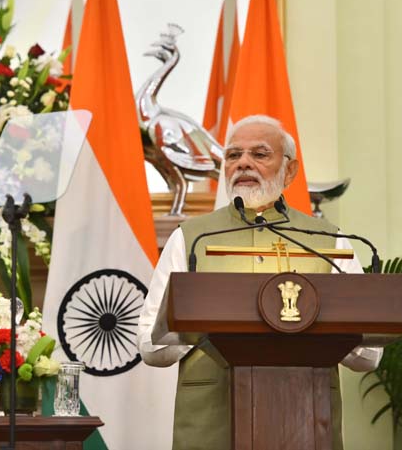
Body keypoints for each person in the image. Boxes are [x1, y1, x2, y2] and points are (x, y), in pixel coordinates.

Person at [136, 114, 382, 450]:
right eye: (233, 155)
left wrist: (324, 329)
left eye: (260, 154)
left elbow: (369, 355)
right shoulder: (191, 239)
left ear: (290, 170)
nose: (244, 164)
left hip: (307, 419)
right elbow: (149, 345)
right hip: (212, 421)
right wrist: (204, 324)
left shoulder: (329, 240)